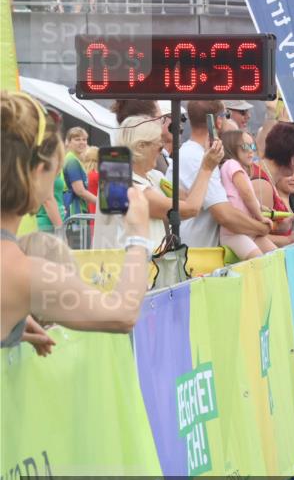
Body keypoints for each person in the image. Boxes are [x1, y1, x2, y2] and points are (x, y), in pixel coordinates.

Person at [2, 91, 152, 353]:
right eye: (55, 170)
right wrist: (138, 235)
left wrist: (13, 323)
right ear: (37, 173)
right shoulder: (24, 274)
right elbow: (122, 313)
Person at [94, 114, 223, 251]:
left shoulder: (153, 176)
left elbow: (187, 198)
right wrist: (207, 168)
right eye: (159, 147)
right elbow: (190, 209)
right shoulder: (126, 188)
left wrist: (206, 159)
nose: (161, 152)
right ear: (141, 146)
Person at [179, 100, 270, 248]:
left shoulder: (197, 153)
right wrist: (262, 227)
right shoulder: (198, 157)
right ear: (219, 121)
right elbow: (225, 215)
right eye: (227, 115)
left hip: (195, 252)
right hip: (194, 256)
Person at [219, 130, 276, 259]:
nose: (250, 151)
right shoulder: (231, 164)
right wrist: (260, 217)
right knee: (260, 262)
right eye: (245, 147)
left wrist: (260, 207)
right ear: (232, 147)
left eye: (253, 146)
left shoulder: (237, 169)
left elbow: (244, 197)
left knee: (276, 256)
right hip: (234, 233)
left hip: (247, 231)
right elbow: (246, 194)